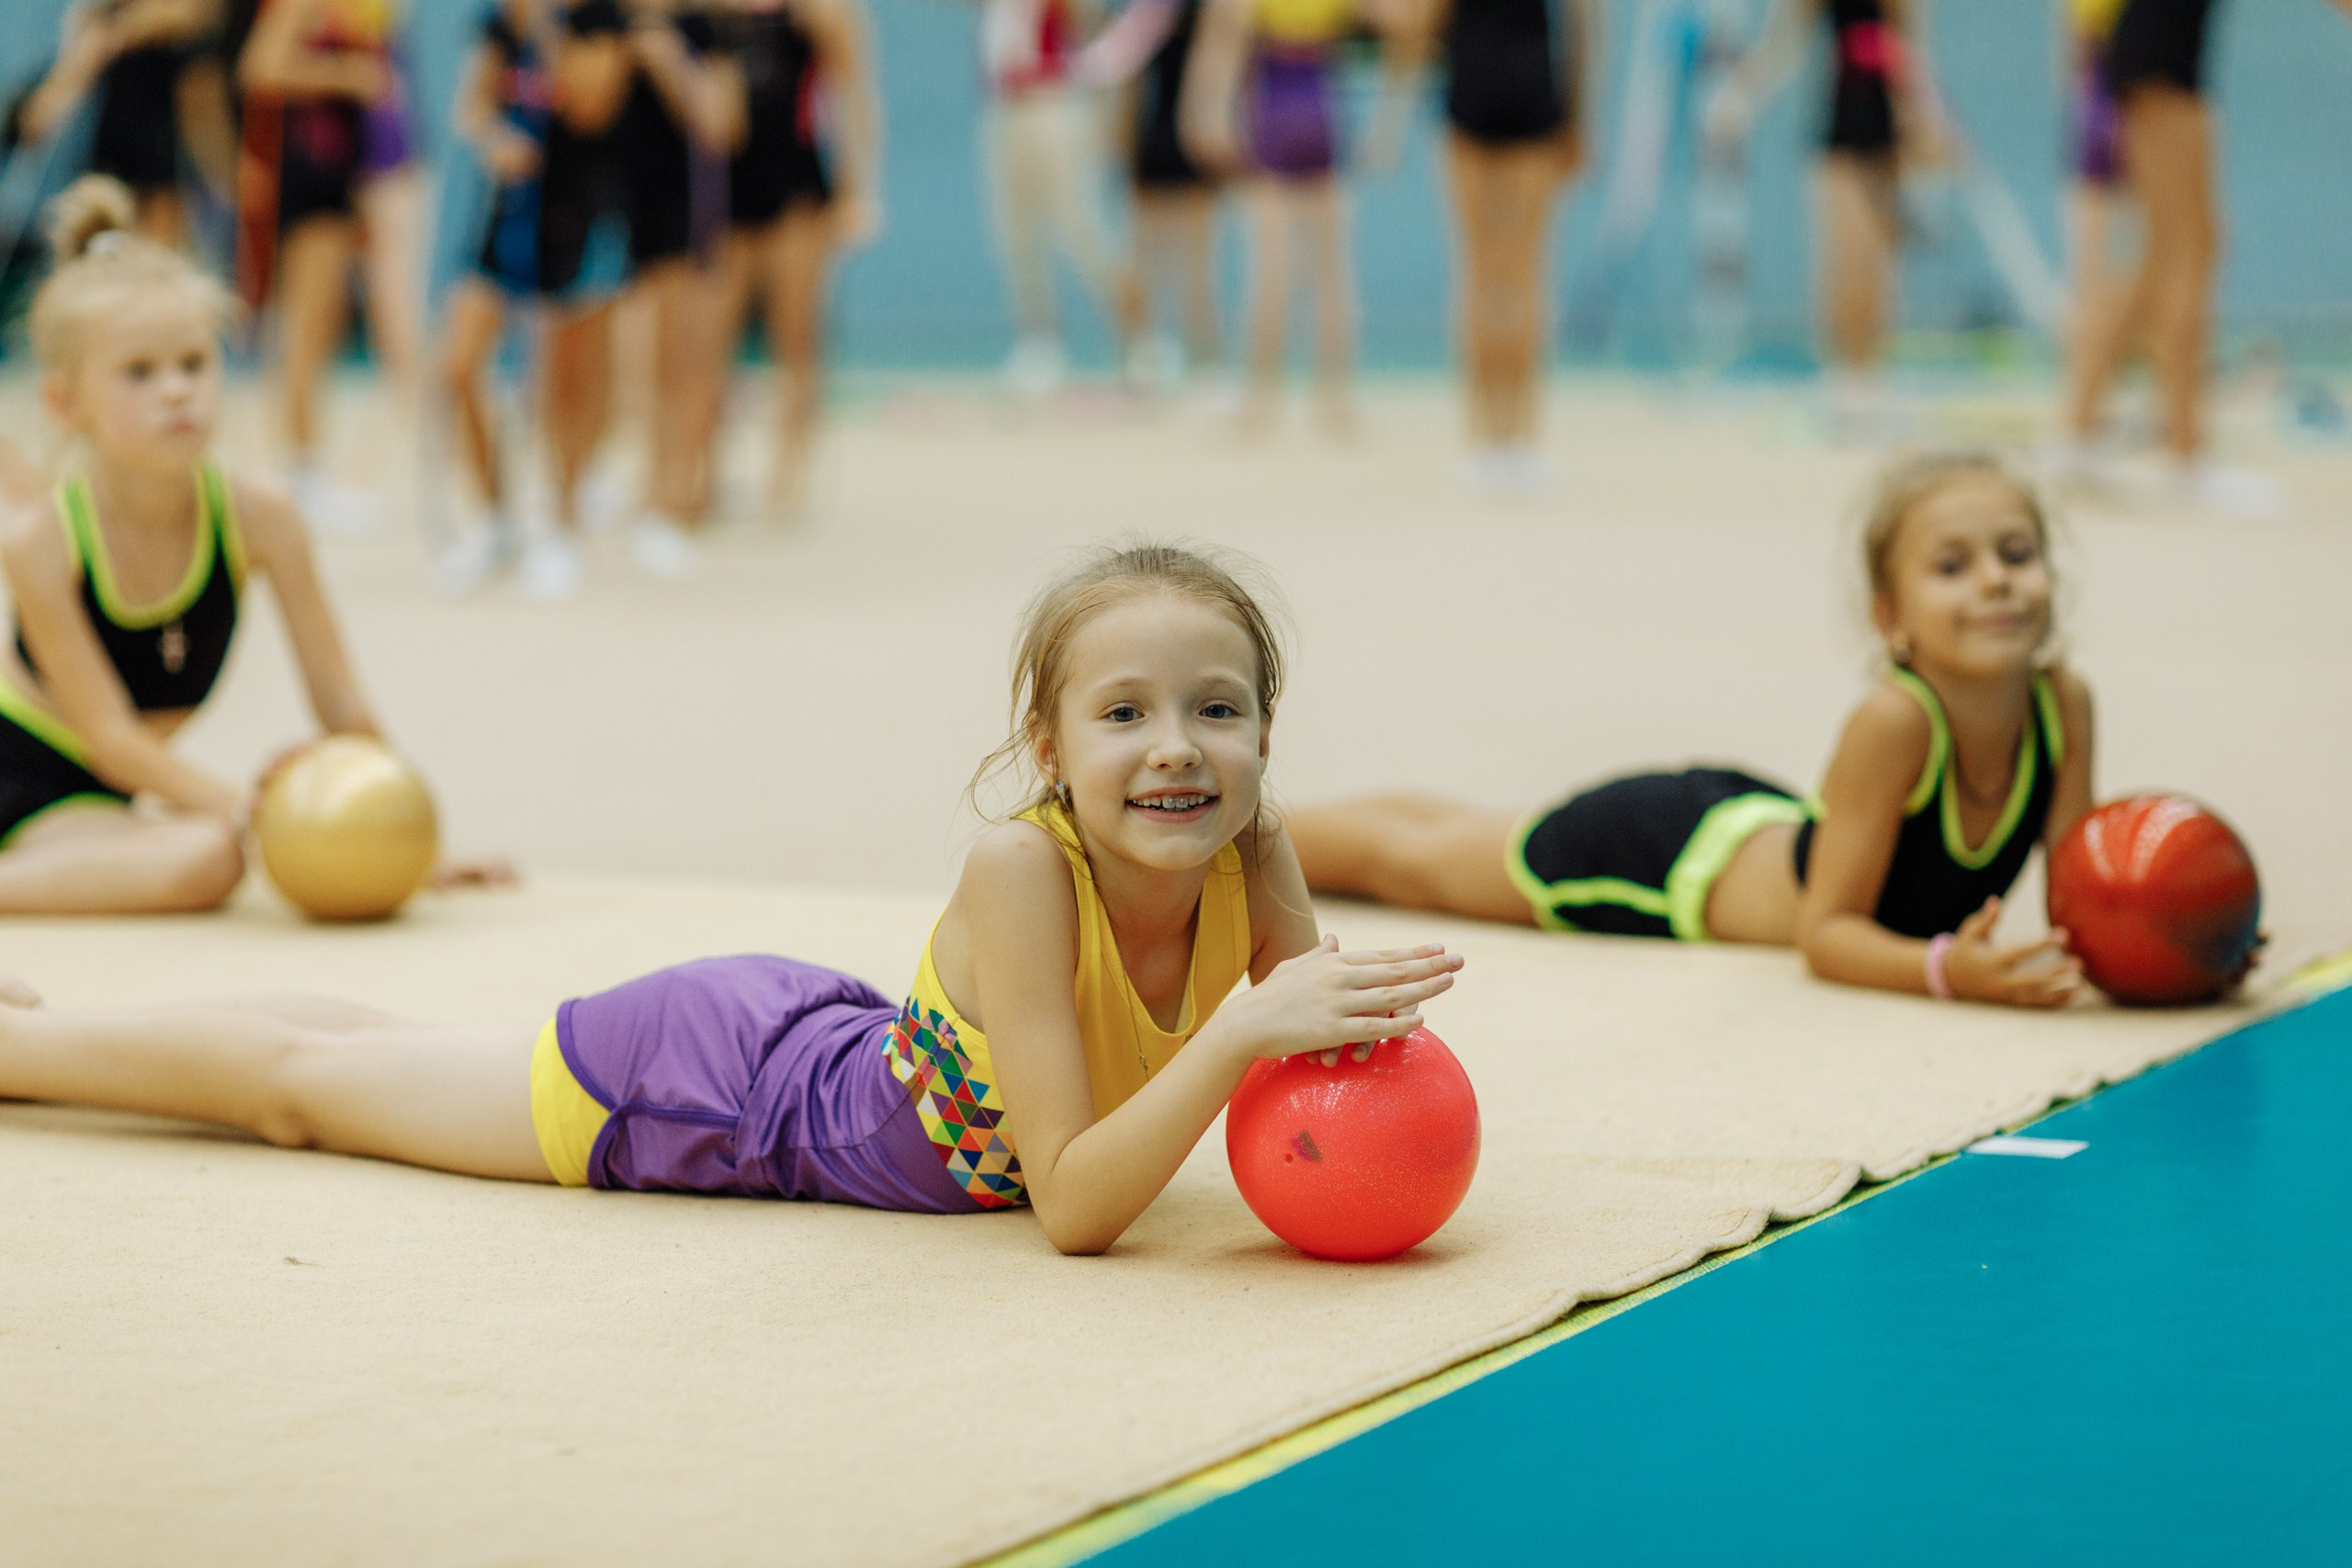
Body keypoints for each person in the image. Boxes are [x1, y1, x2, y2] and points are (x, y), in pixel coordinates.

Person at [0, 543, 1462, 1256]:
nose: (1177, 748)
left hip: (807, 1042)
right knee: (309, 1092)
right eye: (1125, 712)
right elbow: (1075, 1203)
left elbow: (1313, 1076)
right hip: (714, 1096)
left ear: (1266, 735)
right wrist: (1240, 1034)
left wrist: (1312, 1025)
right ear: (1049, 750)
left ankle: (54, 1017)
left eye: (1219, 709)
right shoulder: (1024, 866)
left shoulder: (1252, 846)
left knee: (383, 1046)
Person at [1292, 454, 2109, 1009]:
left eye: (2016, 552)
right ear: (1890, 617)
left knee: (1463, 834)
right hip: (1663, 863)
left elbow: (2086, 901)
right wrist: (1945, 972)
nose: (1997, 579)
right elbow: (1826, 936)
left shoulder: (2062, 703)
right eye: (1953, 566)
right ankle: (1253, 829)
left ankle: (1279, 820)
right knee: (1413, 862)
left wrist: (2187, 947)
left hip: (1747, 819)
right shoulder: (1896, 720)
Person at [0, 176, 479, 913]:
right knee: (211, 858)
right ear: (66, 403)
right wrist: (250, 806)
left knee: (214, 849)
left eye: (195, 363)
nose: (176, 391)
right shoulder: (42, 540)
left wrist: (404, 829)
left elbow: (340, 700)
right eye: (140, 373)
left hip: (114, 794)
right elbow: (110, 737)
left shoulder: (261, 513)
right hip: (27, 774)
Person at [2053, 0, 2352, 512]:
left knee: (2165, 253)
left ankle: (2079, 438)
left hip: (2155, 57)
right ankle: (2186, 456)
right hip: (2157, 60)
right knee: (2186, 251)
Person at [435, 0, 636, 598]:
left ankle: (559, 523)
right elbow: (470, 109)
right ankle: (495, 519)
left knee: (562, 382)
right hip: (509, 216)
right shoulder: (500, 25)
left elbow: (592, 103)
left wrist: (550, 34)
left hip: (578, 212)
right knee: (460, 365)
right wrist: (493, 137)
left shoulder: (600, 21)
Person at [1707, 0, 1942, 439]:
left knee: (1880, 259)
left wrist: (1927, 118)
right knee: (1847, 254)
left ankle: (1871, 374)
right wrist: (1741, 98)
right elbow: (1783, 45)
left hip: (1889, 123)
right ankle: (1847, 377)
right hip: (1842, 121)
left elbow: (1911, 47)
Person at [1185, 0, 1411, 435]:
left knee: (1270, 266)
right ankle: (1336, 396)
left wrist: (1207, 114)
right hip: (1321, 104)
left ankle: (1260, 395)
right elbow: (1400, 22)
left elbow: (1221, 47)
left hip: (1275, 106)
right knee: (1331, 268)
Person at [1400, 0, 1598, 493]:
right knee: (1525, 271)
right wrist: (1579, 115)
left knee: (1478, 272)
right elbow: (1581, 26)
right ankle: (1521, 440)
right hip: (1532, 89)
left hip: (1472, 87)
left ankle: (1484, 441)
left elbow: (1424, 25)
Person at [236, 0, 412, 532]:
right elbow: (260, 67)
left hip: (336, 176)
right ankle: (301, 469)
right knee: (305, 330)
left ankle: (307, 463)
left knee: (323, 324)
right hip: (306, 178)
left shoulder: (351, 15)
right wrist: (346, 76)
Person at [703, 0, 881, 520]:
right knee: (713, 335)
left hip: (796, 187)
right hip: (726, 187)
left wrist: (857, 189)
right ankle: (706, 467)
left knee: (796, 335)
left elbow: (853, 96)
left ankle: (789, 473)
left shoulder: (818, 12)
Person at [605, 0, 742, 575]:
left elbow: (724, 125)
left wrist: (669, 65)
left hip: (681, 213)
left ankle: (673, 494)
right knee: (625, 361)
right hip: (610, 207)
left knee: (682, 363)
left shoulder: (699, 29)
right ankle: (631, 482)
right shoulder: (601, 23)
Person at [970, 0, 1146, 396]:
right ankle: (1039, 344)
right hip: (1003, 105)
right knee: (1015, 234)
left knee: (1084, 231)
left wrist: (1104, 103)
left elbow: (1097, 29)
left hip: (1055, 101)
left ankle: (1138, 341)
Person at [1079, 0, 1225, 390]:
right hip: (1169, 139)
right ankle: (1149, 354)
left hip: (1179, 139)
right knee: (1166, 261)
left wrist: (1122, 140)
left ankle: (1191, 358)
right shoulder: (1161, 14)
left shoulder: (1165, 13)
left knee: (1179, 263)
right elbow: (1129, 78)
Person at [8, 0, 220, 248]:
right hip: (109, 161)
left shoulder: (173, 16)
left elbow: (190, 17)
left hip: (161, 166)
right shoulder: (98, 19)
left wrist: (122, 30)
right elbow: (42, 115)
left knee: (156, 255)